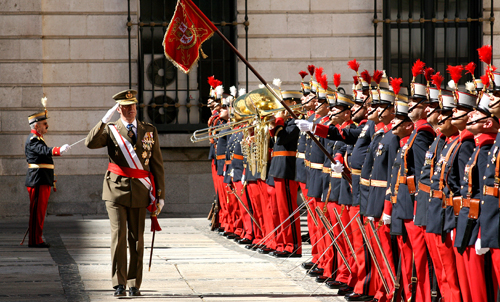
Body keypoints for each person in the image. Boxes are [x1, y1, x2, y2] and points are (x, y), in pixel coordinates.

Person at [85, 89, 165, 297]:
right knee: (119, 236)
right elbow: (90, 143)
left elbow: (157, 165)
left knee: (136, 238)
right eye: (126, 107)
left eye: (133, 106)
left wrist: (161, 195)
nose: (130, 110)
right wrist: (104, 120)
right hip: (115, 190)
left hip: (140, 191)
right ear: (118, 109)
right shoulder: (111, 130)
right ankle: (118, 283)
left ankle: (134, 284)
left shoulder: (149, 130)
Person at [25, 99, 71, 248]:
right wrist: (58, 150)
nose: (47, 126)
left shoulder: (39, 139)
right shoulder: (33, 140)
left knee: (40, 212)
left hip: (42, 180)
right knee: (37, 213)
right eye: (45, 124)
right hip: (37, 180)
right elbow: (44, 151)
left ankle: (36, 238)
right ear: (36, 126)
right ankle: (35, 240)